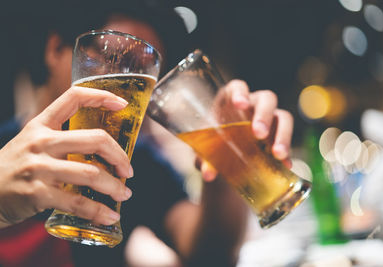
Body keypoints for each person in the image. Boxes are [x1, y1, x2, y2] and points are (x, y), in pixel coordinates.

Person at [0, 1, 294, 266]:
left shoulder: (136, 163)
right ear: (57, 50)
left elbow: (209, 255)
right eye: (113, 56)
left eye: (145, 71)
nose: (130, 84)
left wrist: (228, 156)